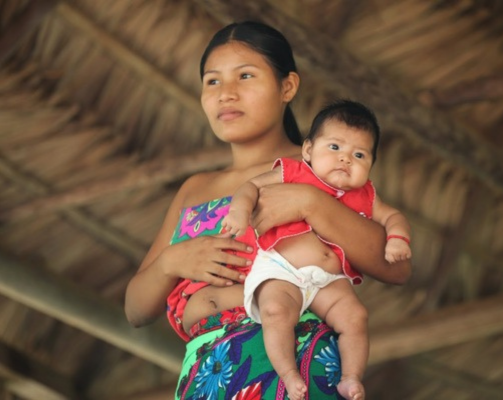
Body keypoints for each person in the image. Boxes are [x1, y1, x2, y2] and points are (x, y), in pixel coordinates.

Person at [124, 21, 412, 400]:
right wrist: (171, 262)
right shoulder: (194, 189)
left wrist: (311, 203)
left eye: (245, 76)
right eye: (212, 81)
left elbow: (396, 266)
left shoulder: (321, 168)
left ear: (287, 87)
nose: (226, 94)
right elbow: (135, 309)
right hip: (205, 371)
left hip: (292, 358)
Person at [221, 99, 411, 400]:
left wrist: (398, 238)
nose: (345, 159)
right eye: (334, 148)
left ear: (371, 165)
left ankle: (351, 378)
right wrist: (238, 211)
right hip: (281, 268)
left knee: (355, 316)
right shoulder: (295, 172)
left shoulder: (366, 195)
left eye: (359, 155)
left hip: (328, 281)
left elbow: (393, 217)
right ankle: (289, 374)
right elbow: (251, 187)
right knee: (275, 311)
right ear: (308, 150)